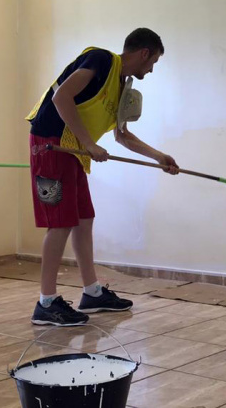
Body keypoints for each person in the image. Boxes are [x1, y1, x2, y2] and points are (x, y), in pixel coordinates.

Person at [25, 28, 179, 326]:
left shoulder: (123, 87)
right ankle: (46, 302)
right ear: (144, 53)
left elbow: (122, 136)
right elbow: (61, 97)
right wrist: (88, 143)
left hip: (74, 150)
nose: (151, 69)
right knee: (60, 222)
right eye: (154, 62)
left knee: (83, 218)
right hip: (50, 144)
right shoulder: (101, 60)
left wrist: (159, 157)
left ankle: (92, 293)